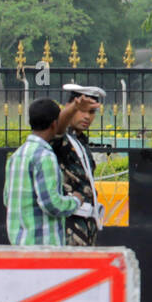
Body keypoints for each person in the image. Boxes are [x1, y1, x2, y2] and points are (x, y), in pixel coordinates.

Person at [3, 97, 92, 246]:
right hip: (43, 247)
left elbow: (8, 199)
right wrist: (75, 200)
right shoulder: (45, 156)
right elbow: (51, 204)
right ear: (54, 124)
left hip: (19, 245)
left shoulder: (16, 156)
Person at [52, 84, 106, 246]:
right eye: (82, 111)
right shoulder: (63, 139)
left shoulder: (81, 141)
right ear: (70, 107)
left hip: (88, 221)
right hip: (68, 221)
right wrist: (74, 107)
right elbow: (57, 129)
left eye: (91, 112)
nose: (87, 117)